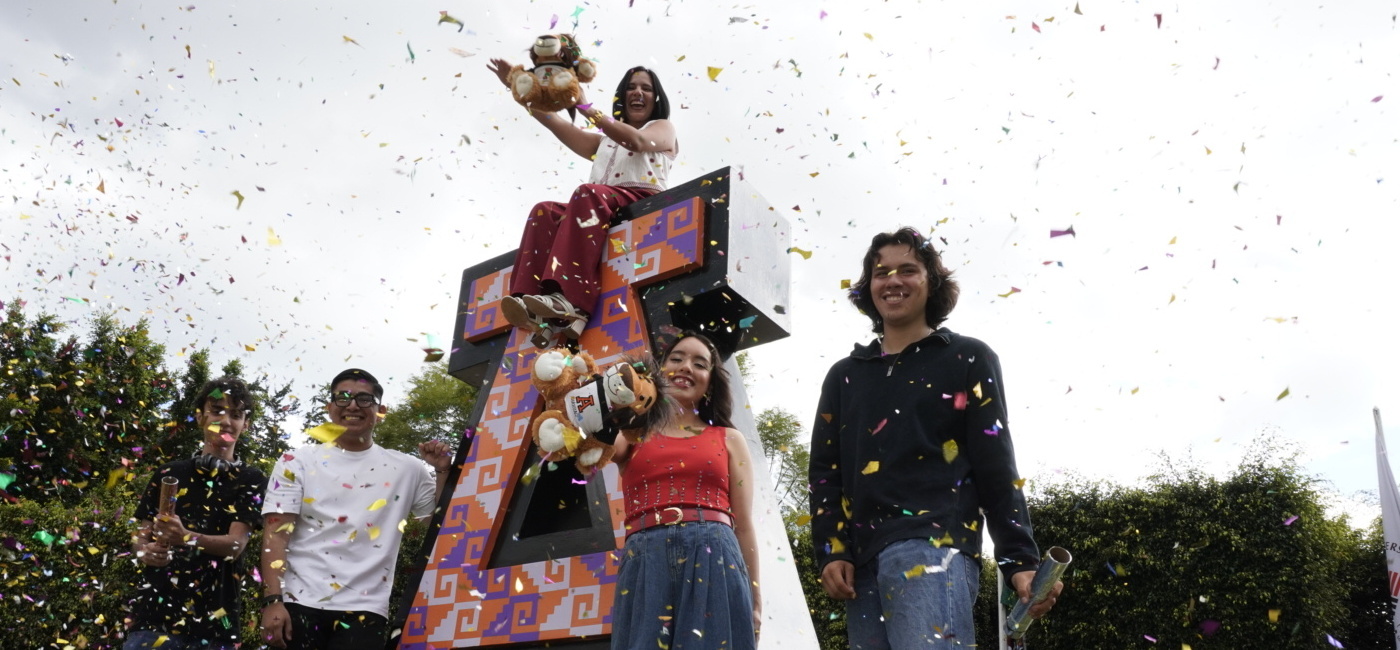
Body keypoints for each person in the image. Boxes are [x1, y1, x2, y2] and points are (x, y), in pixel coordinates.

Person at [808, 227, 1063, 648]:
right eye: (880, 272)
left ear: (932, 283)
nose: (892, 281)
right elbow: (824, 472)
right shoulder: (844, 375)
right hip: (861, 564)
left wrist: (1019, 559)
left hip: (933, 546)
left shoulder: (968, 357)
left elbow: (995, 463)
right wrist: (832, 549)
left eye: (908, 270)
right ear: (868, 286)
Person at [486, 58, 679, 347]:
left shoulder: (662, 127)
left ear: (657, 98)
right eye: (631, 87)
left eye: (646, 88)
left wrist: (584, 106)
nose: (638, 92)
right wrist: (521, 90)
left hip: (640, 203)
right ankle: (529, 304)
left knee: (588, 193)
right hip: (599, 207)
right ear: (622, 97)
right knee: (545, 211)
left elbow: (638, 142)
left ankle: (571, 301)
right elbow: (557, 125)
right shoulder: (604, 142)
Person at [258, 368, 453, 650]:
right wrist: (272, 601)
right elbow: (275, 534)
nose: (352, 406)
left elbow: (436, 526)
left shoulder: (407, 468)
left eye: (364, 399)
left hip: (366, 609)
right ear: (329, 408)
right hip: (299, 602)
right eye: (343, 398)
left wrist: (443, 471)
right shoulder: (296, 461)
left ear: (380, 411)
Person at [609, 333, 760, 649]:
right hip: (644, 559)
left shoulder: (729, 438)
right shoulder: (631, 434)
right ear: (658, 370)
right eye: (676, 358)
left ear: (710, 381)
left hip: (716, 554)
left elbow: (744, 524)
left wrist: (756, 600)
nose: (686, 367)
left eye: (699, 363)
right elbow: (589, 450)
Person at [125, 377, 267, 650]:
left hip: (218, 628)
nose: (226, 421)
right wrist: (146, 552)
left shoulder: (252, 479)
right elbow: (139, 539)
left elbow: (235, 546)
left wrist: (185, 537)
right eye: (217, 411)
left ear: (245, 424)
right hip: (153, 621)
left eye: (236, 414)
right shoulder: (168, 472)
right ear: (200, 417)